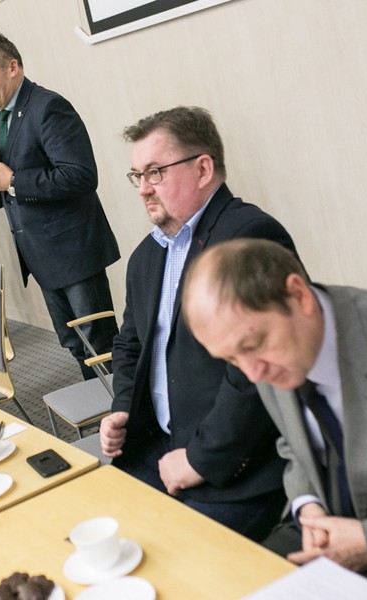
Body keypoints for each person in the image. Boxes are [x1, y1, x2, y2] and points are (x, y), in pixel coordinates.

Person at [183, 238, 367, 598]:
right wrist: (308, 505)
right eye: (231, 360)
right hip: (325, 535)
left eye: (251, 346)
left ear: (298, 295)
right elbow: (294, 444)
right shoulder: (265, 354)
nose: (253, 374)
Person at [99, 107, 296, 541]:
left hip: (232, 465)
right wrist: (123, 408)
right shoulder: (146, 256)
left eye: (155, 172)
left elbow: (260, 369)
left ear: (203, 169)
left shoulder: (249, 237)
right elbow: (130, 345)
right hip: (156, 446)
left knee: (175, 561)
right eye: (137, 176)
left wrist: (199, 460)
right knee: (99, 533)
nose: (143, 189)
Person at [0, 31, 119, 380]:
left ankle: (127, 410)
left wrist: (13, 180)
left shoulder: (48, 107)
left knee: (99, 344)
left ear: (12, 67)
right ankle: (101, 406)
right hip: (40, 256)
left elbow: (81, 176)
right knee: (74, 344)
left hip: (74, 252)